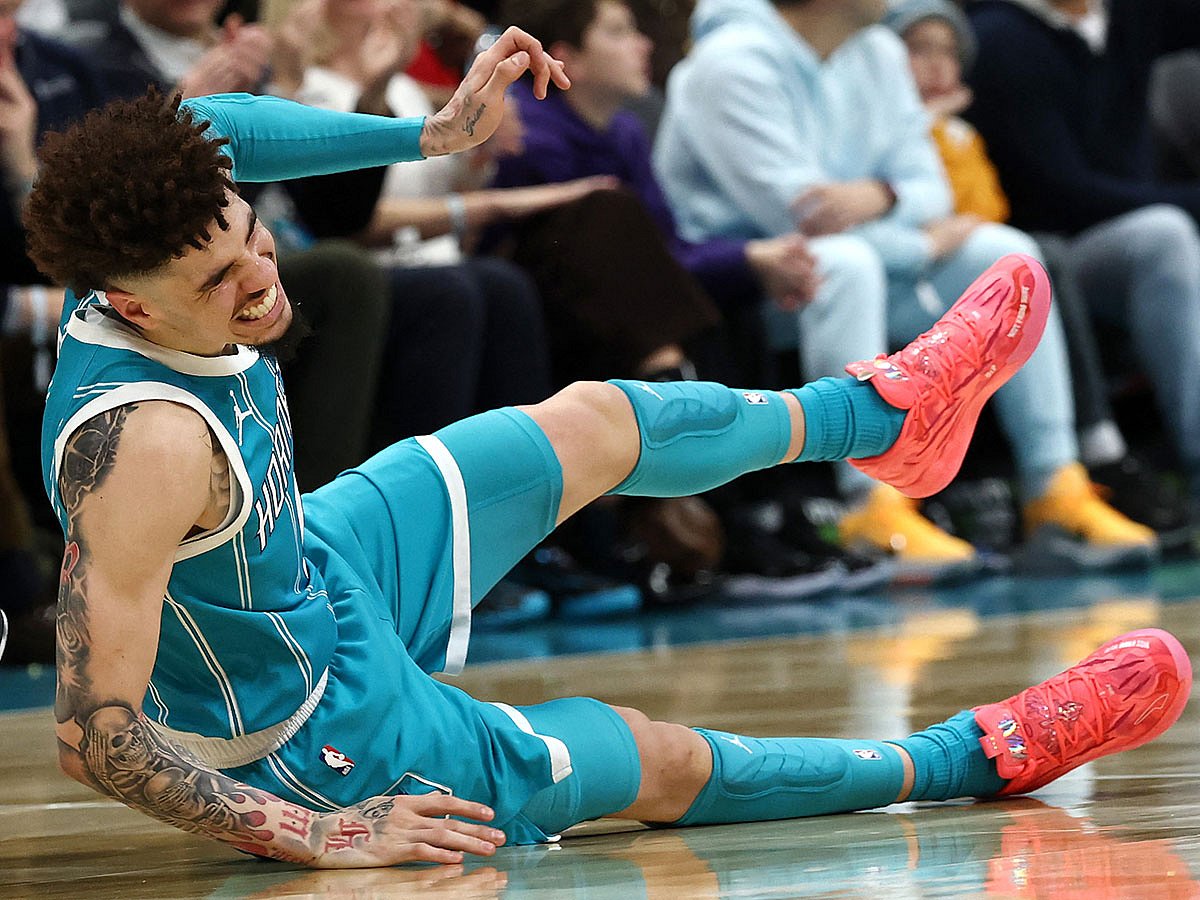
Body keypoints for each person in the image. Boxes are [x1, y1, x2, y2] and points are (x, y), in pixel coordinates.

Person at [31, 30, 1190, 867]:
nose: (259, 277)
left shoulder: (149, 208)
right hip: (312, 736)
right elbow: (95, 736)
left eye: (251, 236)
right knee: (649, 757)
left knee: (595, 418)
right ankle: (967, 758)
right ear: (127, 306)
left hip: (308, 562)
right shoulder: (141, 450)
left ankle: (884, 421)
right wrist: (318, 833)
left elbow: (218, 129)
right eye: (216, 281)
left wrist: (429, 132)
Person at [653, 0, 1155, 577]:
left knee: (1004, 253)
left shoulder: (879, 51)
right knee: (847, 263)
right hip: (751, 281)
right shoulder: (727, 64)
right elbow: (799, 216)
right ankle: (871, 503)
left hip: (866, 257)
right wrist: (918, 242)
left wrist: (882, 195)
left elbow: (930, 187)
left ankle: (1054, 485)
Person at [882, 0, 1192, 545]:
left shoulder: (958, 134)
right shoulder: (1001, 44)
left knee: (1021, 259)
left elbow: (979, 206)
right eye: (918, 50)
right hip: (912, 266)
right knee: (1031, 260)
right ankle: (877, 501)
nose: (936, 65)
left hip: (961, 259)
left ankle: (1060, 481)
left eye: (947, 53)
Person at [965, 0, 1200, 511]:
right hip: (1049, 253)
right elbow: (1063, 193)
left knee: (1168, 228)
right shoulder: (1001, 38)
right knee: (1166, 235)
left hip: (1131, 220)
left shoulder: (1130, 14)